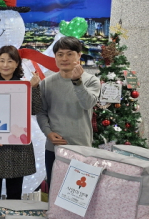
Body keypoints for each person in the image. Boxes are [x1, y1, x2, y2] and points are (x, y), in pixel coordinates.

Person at [36, 36, 101, 187]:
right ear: (55, 57)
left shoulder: (91, 80)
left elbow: (88, 103)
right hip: (54, 148)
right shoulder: (47, 83)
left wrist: (77, 82)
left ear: (79, 55)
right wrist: (48, 133)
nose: (64, 58)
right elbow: (41, 112)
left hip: (81, 147)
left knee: (78, 191)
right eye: (60, 54)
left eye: (70, 54)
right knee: (54, 189)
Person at [0, 46, 43, 200]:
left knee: (15, 195)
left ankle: (11, 216)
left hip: (17, 146)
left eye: (10, 61)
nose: (5, 65)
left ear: (17, 64)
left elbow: (35, 109)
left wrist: (35, 87)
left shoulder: (24, 86)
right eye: (1, 60)